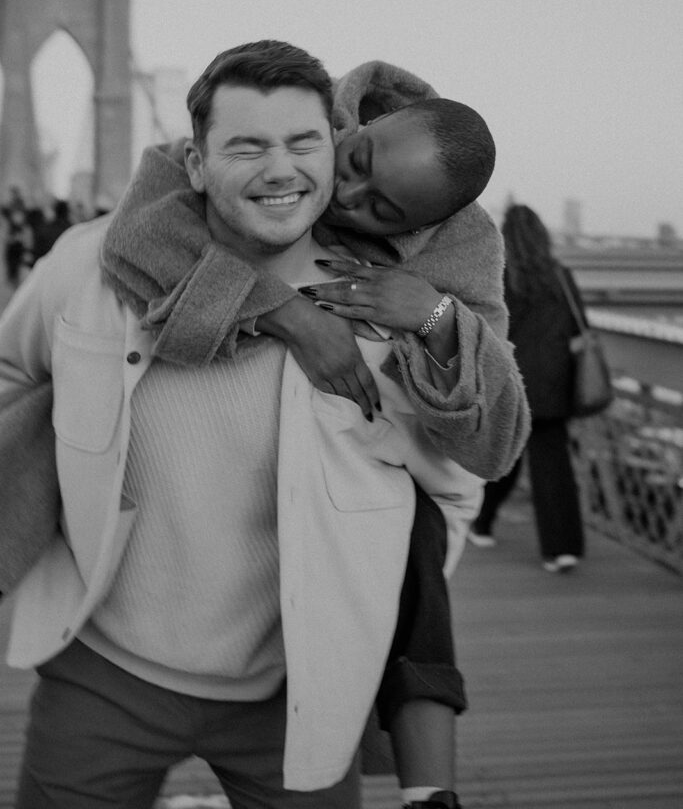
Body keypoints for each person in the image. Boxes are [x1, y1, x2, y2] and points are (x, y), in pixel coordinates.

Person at [0, 42, 529, 809]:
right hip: (100, 670)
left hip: (298, 694)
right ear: (193, 159)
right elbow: (12, 371)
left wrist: (356, 594)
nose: (333, 190)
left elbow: (458, 483)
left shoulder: (388, 315)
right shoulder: (92, 266)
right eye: (247, 146)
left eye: (380, 205)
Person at [469, 203, 586, 572]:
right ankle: (562, 549)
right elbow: (579, 328)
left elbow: (487, 328)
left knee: (506, 456)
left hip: (513, 382)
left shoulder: (500, 276)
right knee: (554, 467)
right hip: (555, 384)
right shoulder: (561, 277)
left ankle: (482, 523)